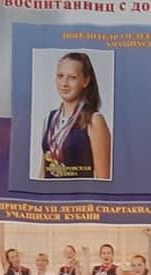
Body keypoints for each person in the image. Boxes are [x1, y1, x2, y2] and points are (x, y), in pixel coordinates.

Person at [40, 52, 111, 180]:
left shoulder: (94, 120)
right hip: (50, 193)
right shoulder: (49, 119)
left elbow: (103, 180)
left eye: (72, 77)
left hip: (79, 193)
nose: (64, 83)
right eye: (60, 76)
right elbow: (43, 173)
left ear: (86, 81)